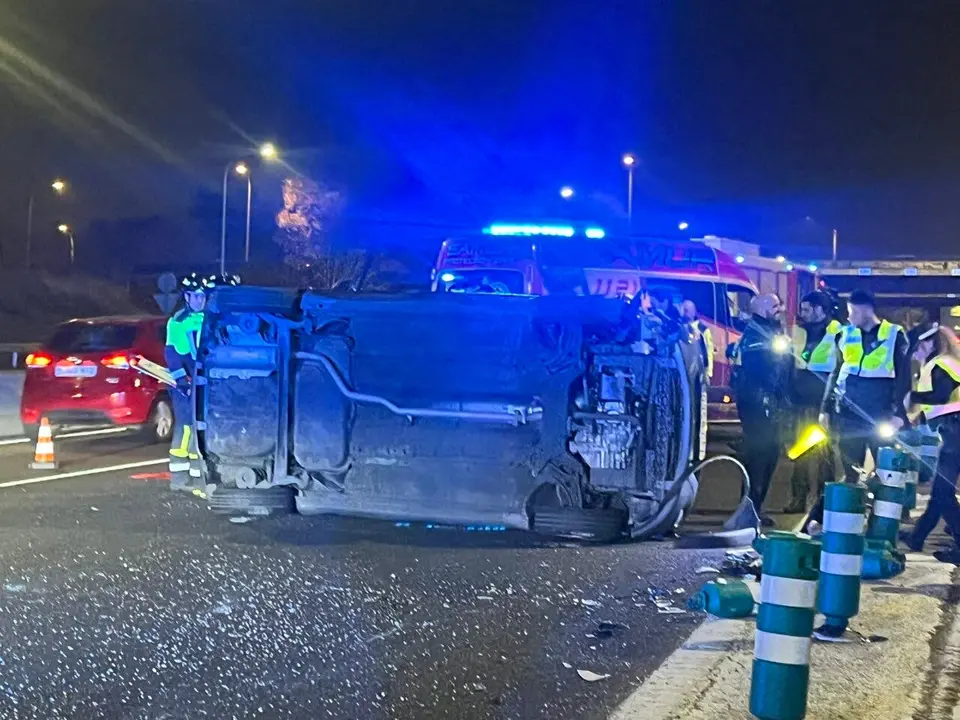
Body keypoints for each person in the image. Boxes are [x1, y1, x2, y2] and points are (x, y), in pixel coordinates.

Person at [818, 290, 910, 484]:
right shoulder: (845, 334)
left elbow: (904, 378)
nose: (849, 317)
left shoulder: (894, 335)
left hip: (881, 414)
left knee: (886, 474)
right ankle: (854, 503)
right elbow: (836, 372)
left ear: (866, 310)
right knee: (850, 473)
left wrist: (900, 414)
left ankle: (884, 503)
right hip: (848, 414)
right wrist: (825, 409)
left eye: (852, 312)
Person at [165, 273, 239, 494]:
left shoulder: (212, 318)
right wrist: (182, 381)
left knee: (205, 428)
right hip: (187, 383)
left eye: (201, 296)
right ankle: (180, 477)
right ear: (186, 297)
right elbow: (172, 354)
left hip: (207, 382)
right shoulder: (179, 321)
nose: (198, 300)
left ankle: (200, 479)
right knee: (187, 426)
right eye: (194, 296)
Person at [733, 293, 792, 524]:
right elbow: (764, 371)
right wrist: (771, 398)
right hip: (758, 406)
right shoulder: (756, 334)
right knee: (759, 459)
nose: (780, 309)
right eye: (775, 305)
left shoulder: (770, 331)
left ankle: (754, 509)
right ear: (762, 308)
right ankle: (748, 510)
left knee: (769, 457)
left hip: (769, 405)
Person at [903, 323, 960, 563]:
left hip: (955, 431)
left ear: (929, 343)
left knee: (943, 494)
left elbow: (940, 395)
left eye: (917, 348)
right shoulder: (949, 363)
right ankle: (917, 537)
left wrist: (912, 397)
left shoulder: (940, 365)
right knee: (939, 493)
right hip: (953, 430)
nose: (915, 354)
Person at [785, 291, 842, 513]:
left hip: (823, 403)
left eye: (807, 309)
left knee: (824, 454)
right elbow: (790, 363)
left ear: (820, 309)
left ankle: (823, 502)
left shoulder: (838, 332)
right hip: (801, 402)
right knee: (800, 451)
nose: (803, 313)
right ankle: (798, 498)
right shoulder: (798, 331)